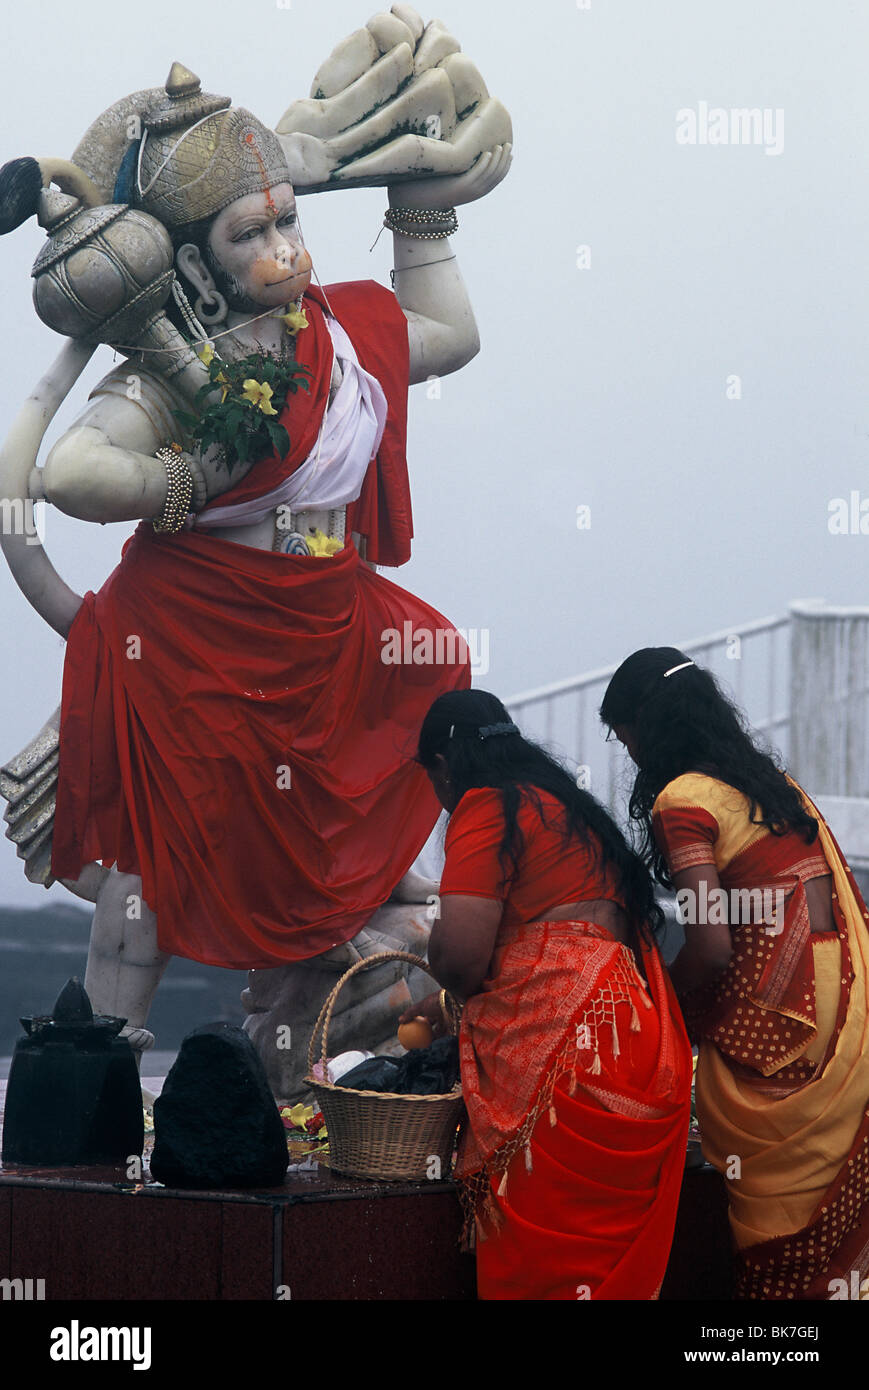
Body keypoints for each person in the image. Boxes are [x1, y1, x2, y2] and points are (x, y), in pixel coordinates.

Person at [0, 57, 511, 1048]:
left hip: (325, 627)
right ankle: (101, 1076)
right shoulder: (174, 375)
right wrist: (185, 481)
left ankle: (343, 952)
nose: (282, 245)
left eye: (287, 219)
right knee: (151, 865)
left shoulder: (336, 335)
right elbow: (68, 473)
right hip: (191, 643)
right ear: (192, 264)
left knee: (435, 667)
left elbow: (448, 334)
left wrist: (419, 208)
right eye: (252, 230)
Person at [402, 688, 693, 1300]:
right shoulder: (574, 810)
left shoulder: (487, 806)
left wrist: (433, 954)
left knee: (545, 1266)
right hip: (634, 1042)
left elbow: (461, 956)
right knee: (604, 1264)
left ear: (444, 766)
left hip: (563, 1052)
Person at [600, 646, 869, 1301]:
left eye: (621, 733)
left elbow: (711, 945)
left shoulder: (682, 801)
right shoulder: (773, 785)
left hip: (777, 1038)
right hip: (847, 1017)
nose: (624, 749)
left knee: (778, 1255)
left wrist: (659, 1002)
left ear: (645, 725)